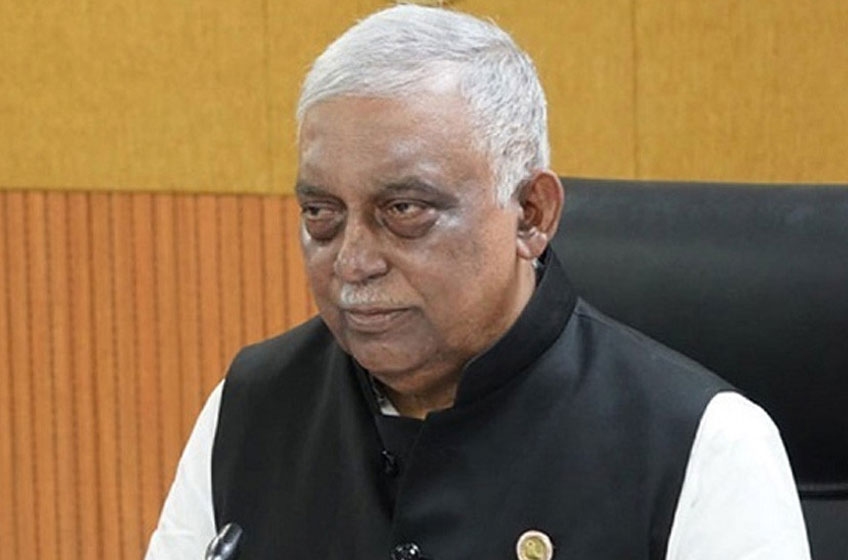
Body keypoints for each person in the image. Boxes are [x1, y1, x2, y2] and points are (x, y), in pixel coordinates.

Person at [145, 5, 811, 559]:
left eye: (403, 211)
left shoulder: (702, 444)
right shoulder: (254, 406)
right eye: (322, 214)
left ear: (531, 214)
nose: (352, 262)